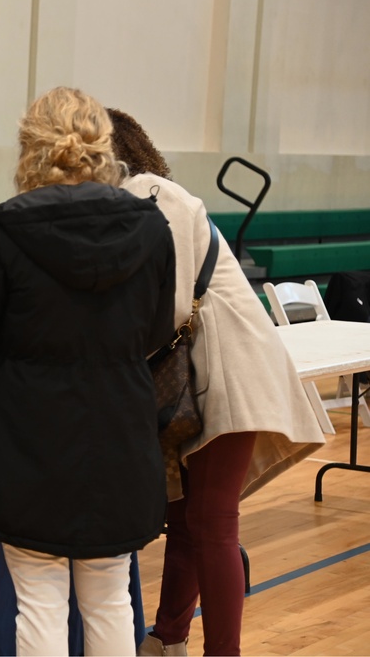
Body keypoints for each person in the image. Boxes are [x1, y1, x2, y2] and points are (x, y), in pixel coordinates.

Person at [0, 87, 176, 656]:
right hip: (120, 429)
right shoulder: (150, 226)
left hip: (26, 438)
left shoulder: (5, 229)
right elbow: (156, 333)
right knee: (110, 598)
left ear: (30, 147)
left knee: (41, 604)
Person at [108, 108, 325, 657]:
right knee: (185, 519)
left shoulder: (151, 193)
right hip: (200, 376)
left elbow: (169, 305)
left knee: (211, 524)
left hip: (228, 374)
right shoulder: (139, 197)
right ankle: (168, 639)